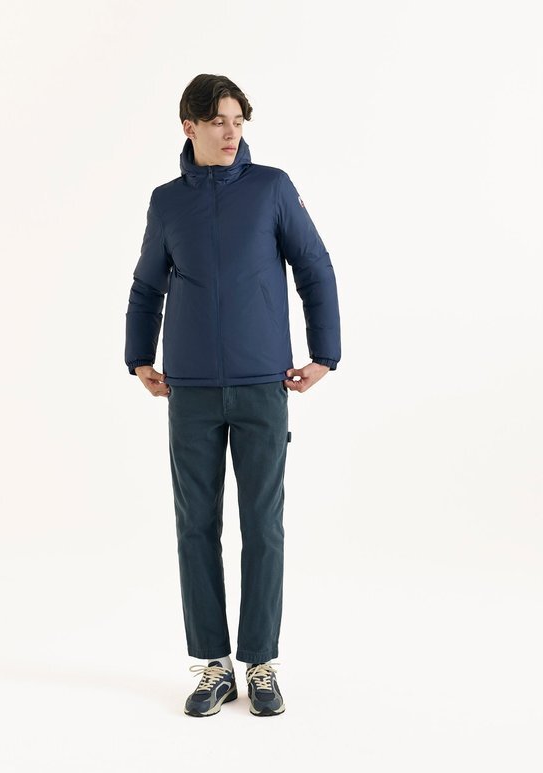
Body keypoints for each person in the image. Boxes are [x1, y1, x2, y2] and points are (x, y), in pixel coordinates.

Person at [125, 74, 341, 717]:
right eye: (218, 121)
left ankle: (261, 662)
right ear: (189, 126)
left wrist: (325, 353)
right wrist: (139, 357)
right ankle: (213, 666)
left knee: (263, 528)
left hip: (261, 386)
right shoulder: (167, 202)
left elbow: (314, 265)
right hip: (190, 391)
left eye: (238, 121)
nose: (231, 133)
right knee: (196, 527)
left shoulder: (271, 188)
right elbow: (146, 285)